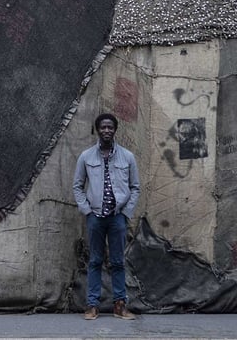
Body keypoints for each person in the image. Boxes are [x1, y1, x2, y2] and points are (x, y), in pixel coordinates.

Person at [73, 112, 140, 320]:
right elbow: (77, 186)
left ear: (115, 130)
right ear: (97, 130)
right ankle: (92, 306)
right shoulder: (86, 156)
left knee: (118, 262)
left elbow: (135, 187)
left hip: (117, 217)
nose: (107, 130)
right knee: (95, 260)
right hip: (95, 218)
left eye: (110, 127)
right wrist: (87, 210)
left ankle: (120, 306)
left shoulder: (127, 157)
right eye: (103, 127)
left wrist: (126, 212)